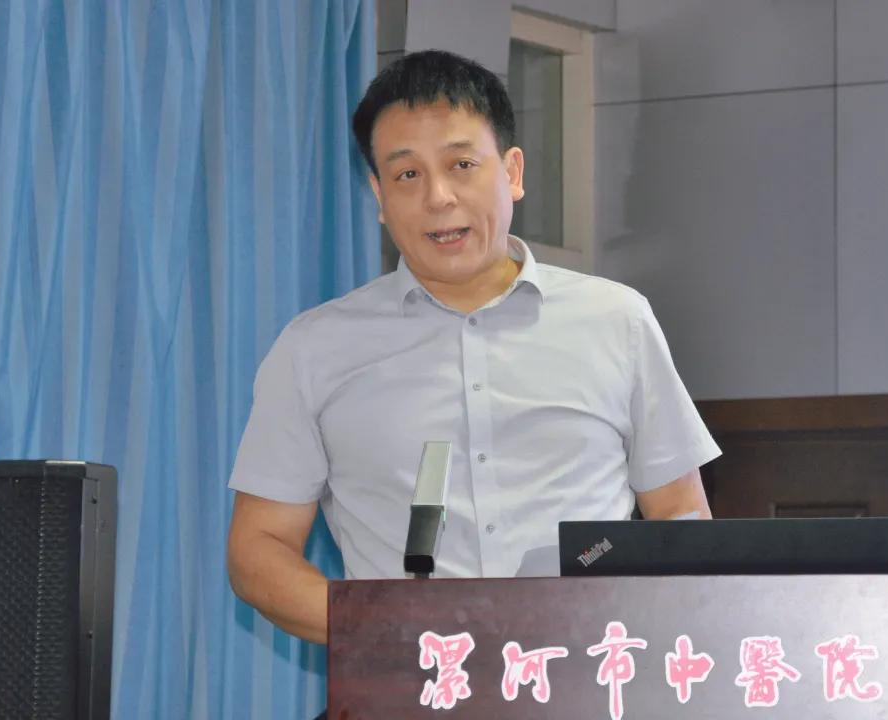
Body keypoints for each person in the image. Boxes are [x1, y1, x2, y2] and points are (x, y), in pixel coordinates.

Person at [226, 50, 720, 647]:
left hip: (591, 672)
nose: (439, 196)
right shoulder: (314, 349)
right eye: (407, 175)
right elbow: (259, 548)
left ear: (512, 171)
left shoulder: (617, 320)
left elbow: (679, 515)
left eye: (461, 164)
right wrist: (383, 634)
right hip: (408, 681)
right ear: (378, 194)